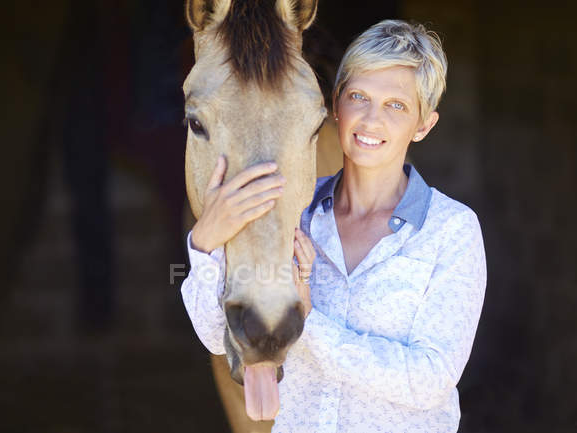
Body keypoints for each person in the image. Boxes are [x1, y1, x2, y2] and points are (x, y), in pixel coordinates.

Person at [181, 19, 487, 433]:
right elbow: (221, 337)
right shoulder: (293, 214)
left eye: (396, 105)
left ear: (423, 124)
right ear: (335, 105)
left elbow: (430, 379)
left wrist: (312, 323)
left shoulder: (450, 231)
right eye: (358, 97)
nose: (371, 120)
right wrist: (204, 244)